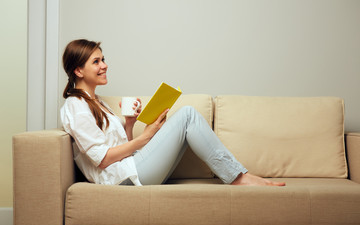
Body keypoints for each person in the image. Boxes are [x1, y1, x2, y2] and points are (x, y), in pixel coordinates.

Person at [60, 39, 286, 187]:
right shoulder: (75, 106)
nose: (104, 65)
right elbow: (103, 160)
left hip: (129, 168)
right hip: (120, 181)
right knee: (187, 115)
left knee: (186, 123)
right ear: (78, 70)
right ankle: (239, 178)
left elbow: (119, 152)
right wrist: (144, 138)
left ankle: (238, 176)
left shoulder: (96, 102)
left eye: (103, 59)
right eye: (96, 61)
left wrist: (129, 124)